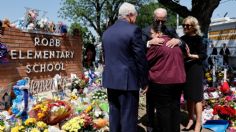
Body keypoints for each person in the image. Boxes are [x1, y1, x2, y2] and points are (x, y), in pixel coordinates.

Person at [102, 2, 148, 132]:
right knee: (128, 118)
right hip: (128, 81)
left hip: (111, 80)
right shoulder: (134, 30)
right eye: (135, 17)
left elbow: (106, 58)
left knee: (114, 115)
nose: (135, 20)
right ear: (130, 15)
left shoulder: (106, 32)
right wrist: (144, 81)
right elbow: (140, 58)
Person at [142, 8, 185, 132]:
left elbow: (181, 45)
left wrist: (179, 41)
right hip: (154, 73)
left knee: (168, 108)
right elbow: (139, 48)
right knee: (151, 103)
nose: (160, 23)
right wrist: (149, 43)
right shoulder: (145, 31)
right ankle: (150, 122)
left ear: (166, 19)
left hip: (164, 77)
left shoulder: (170, 30)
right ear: (153, 17)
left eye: (163, 20)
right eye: (158, 20)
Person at [181, 16, 207, 132]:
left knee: (196, 97)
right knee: (188, 97)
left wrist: (190, 55)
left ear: (194, 26)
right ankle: (190, 119)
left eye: (188, 25)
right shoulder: (181, 39)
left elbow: (203, 55)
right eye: (184, 25)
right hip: (185, 68)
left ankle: (198, 122)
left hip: (195, 69)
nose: (185, 27)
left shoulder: (199, 39)